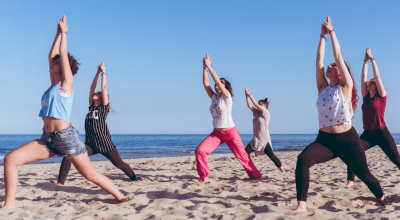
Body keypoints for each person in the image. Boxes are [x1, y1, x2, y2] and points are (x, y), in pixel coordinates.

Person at [1, 16, 128, 209]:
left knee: (89, 174)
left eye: (57, 63)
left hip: (67, 137)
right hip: (47, 139)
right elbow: (52, 55)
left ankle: (120, 196)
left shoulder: (66, 84)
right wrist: (56, 33)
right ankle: (9, 204)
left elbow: (61, 52)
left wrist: (64, 32)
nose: (52, 64)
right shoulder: (53, 85)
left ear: (65, 66)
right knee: (10, 160)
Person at [294, 16, 389, 212]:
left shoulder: (346, 87)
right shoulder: (322, 87)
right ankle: (301, 206)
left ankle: (381, 197)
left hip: (347, 139)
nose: (329, 66)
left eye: (333, 66)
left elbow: (338, 56)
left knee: (365, 174)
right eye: (329, 66)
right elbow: (318, 60)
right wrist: (321, 36)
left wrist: (332, 32)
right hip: (324, 140)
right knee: (302, 160)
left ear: (341, 71)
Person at [56, 61, 137, 186]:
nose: (96, 93)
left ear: (103, 98)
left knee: (119, 164)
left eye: (98, 93)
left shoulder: (103, 109)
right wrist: (97, 72)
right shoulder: (91, 108)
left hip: (105, 144)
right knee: (69, 154)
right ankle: (60, 183)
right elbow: (92, 88)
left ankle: (134, 179)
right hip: (91, 145)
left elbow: (103, 88)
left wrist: (104, 72)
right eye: (96, 93)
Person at [195, 53, 262, 184]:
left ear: (225, 87)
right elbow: (205, 83)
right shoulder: (214, 98)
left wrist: (209, 66)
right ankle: (204, 176)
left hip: (230, 132)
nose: (218, 84)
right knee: (200, 151)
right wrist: (204, 67)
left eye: (222, 83)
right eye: (218, 82)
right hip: (217, 133)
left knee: (242, 157)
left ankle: (256, 176)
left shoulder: (227, 98)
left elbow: (215, 82)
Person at [346, 48, 399, 187]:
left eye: (372, 82)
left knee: (396, 159)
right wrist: (365, 61)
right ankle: (350, 181)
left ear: (377, 86)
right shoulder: (366, 98)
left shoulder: (381, 97)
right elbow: (363, 77)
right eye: (369, 83)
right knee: (353, 151)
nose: (369, 83)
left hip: (382, 133)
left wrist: (372, 59)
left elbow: (377, 75)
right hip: (368, 134)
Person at [244, 88, 284, 172]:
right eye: (258, 104)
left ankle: (282, 170)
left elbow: (255, 104)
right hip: (254, 140)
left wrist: (250, 94)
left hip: (264, 141)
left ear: (265, 106)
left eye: (260, 104)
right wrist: (246, 96)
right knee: (244, 153)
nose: (258, 105)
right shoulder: (256, 113)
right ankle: (251, 169)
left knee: (272, 157)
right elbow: (250, 106)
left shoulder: (266, 113)